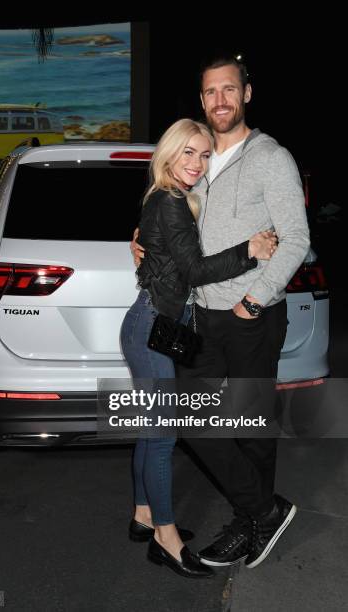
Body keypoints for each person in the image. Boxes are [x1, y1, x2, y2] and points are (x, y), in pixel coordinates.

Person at [132, 56, 310, 570]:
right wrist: (143, 240)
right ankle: (263, 511)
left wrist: (256, 299)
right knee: (193, 417)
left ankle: (248, 521)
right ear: (202, 99)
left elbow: (296, 238)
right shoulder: (201, 158)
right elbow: (172, 216)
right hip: (198, 316)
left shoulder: (271, 157)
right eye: (211, 92)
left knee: (249, 423)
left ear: (247, 93)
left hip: (251, 313)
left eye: (229, 90)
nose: (220, 101)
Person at [121, 118, 277, 578]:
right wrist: (250, 249)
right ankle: (165, 540)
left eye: (205, 154)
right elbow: (193, 270)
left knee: (152, 430)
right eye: (188, 152)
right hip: (153, 327)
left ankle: (142, 514)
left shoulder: (167, 199)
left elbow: (167, 258)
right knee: (164, 434)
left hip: (157, 326)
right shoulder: (169, 202)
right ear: (169, 154)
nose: (197, 163)